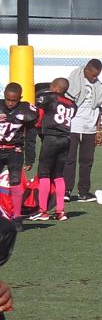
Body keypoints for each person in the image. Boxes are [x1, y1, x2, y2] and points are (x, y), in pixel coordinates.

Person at [32, 78, 75, 222]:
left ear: (55, 88)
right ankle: (60, 211)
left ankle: (42, 211)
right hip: (66, 139)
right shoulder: (72, 104)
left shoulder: (49, 97)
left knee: (44, 174)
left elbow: (38, 110)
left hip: (51, 138)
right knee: (59, 175)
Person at [68, 59, 102, 202]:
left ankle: (83, 192)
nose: (95, 78)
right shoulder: (74, 80)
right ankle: (66, 190)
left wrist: (98, 131)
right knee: (69, 159)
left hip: (90, 128)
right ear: (86, 70)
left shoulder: (98, 86)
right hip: (73, 126)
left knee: (87, 161)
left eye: (97, 75)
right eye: (93, 75)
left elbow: (98, 110)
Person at [0, 83, 39, 220]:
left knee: (16, 182)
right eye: (8, 99)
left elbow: (30, 137)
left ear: (20, 98)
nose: (10, 103)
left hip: (14, 149)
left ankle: (16, 217)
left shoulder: (26, 110)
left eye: (14, 100)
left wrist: (30, 158)